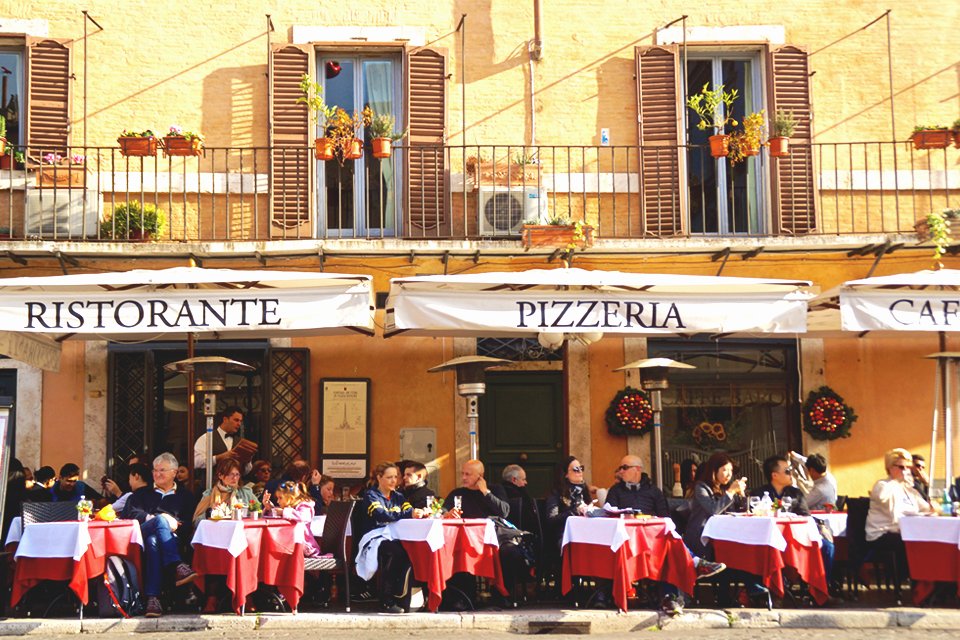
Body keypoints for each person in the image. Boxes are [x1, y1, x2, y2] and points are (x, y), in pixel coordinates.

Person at [604, 455, 725, 614]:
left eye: (624, 467)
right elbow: (609, 514)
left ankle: (670, 598)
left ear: (638, 469)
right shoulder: (615, 490)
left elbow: (666, 518)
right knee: (670, 545)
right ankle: (695, 563)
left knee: (669, 545)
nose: (620, 471)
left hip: (653, 537)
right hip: (627, 541)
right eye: (620, 468)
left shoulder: (654, 491)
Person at [683, 452, 769, 607]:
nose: (728, 474)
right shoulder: (701, 487)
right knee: (728, 552)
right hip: (702, 538)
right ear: (713, 470)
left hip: (724, 536)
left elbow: (739, 511)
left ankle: (753, 588)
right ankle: (739, 592)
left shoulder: (726, 488)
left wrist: (741, 496)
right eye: (724, 470)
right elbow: (713, 509)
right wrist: (730, 492)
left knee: (745, 547)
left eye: (730, 471)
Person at [121, 452, 198, 618]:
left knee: (154, 541)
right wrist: (157, 519)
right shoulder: (141, 494)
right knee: (160, 522)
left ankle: (153, 599)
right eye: (155, 470)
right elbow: (131, 514)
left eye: (162, 470)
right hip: (141, 533)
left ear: (174, 473)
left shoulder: (186, 497)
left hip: (171, 539)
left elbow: (187, 525)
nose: (157, 474)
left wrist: (172, 527)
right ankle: (177, 564)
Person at [444, 460, 523, 607]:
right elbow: (443, 511)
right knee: (456, 551)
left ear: (480, 476)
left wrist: (486, 492)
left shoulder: (495, 490)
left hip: (493, 538)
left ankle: (501, 594)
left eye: (468, 474)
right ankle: (465, 597)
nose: (464, 478)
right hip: (467, 539)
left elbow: (504, 511)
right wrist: (448, 514)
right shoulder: (458, 493)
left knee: (510, 552)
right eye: (462, 473)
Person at [755, 455, 836, 588]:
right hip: (770, 539)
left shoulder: (796, 493)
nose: (791, 473)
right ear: (774, 475)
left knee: (827, 547)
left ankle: (821, 587)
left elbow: (805, 515)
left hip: (796, 537)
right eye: (787, 471)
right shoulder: (760, 494)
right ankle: (771, 588)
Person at [355, 462, 418, 614]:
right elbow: (381, 515)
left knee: (410, 551)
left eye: (395, 477)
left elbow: (408, 509)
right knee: (396, 553)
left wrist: (417, 512)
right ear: (379, 478)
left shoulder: (398, 496)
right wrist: (409, 514)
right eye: (389, 477)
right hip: (374, 537)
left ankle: (401, 595)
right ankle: (386, 600)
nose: (393, 481)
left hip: (394, 537)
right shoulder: (371, 495)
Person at [865, 448, 934, 584]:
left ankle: (929, 584)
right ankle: (915, 581)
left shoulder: (908, 488)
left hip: (904, 532)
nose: (905, 471)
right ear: (890, 467)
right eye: (901, 467)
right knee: (912, 544)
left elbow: (930, 508)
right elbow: (881, 497)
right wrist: (896, 481)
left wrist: (927, 486)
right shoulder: (883, 485)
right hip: (881, 533)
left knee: (929, 543)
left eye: (908, 468)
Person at [193, 458, 259, 524]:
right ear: (220, 475)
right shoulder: (209, 494)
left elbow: (259, 514)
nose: (235, 478)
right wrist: (210, 512)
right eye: (230, 474)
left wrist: (267, 509)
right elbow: (197, 522)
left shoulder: (246, 493)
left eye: (237, 474)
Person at [193, 406, 251, 472]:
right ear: (225, 419)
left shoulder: (240, 441)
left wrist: (247, 462)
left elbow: (246, 472)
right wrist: (219, 457)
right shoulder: (207, 438)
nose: (239, 424)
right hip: (212, 481)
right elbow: (196, 462)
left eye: (240, 421)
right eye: (236, 420)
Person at [274, 481, 323, 557]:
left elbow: (302, 517)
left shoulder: (305, 506)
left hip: (304, 546)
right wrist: (270, 508)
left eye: (280, 498)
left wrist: (284, 512)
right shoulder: (288, 509)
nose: (278, 501)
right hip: (290, 544)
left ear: (290, 498)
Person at [492, 464, 541, 533]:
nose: (525, 482)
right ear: (514, 480)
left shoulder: (497, 492)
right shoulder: (520, 496)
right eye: (523, 479)